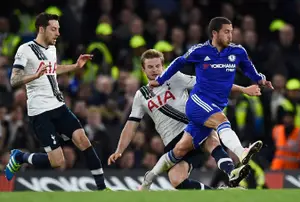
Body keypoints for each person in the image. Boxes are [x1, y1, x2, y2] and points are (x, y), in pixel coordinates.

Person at [141, 17, 273, 189]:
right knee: (223, 122)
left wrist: (260, 79)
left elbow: (249, 68)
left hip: (215, 107)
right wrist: (160, 79)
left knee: (181, 149)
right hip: (197, 102)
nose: (230, 35)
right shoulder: (200, 51)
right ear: (214, 33)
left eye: (231, 31)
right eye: (226, 32)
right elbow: (179, 62)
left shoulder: (237, 52)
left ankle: (147, 180)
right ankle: (242, 153)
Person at [108, 49, 262, 190]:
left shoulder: (175, 78)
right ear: (143, 69)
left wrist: (243, 89)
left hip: (191, 126)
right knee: (177, 180)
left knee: (211, 140)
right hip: (172, 141)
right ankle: (218, 193)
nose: (155, 70)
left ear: (163, 66)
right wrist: (119, 150)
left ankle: (232, 172)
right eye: (150, 67)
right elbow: (131, 125)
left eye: (157, 66)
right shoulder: (141, 95)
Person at [4, 13, 110, 191]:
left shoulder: (52, 49)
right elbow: (14, 80)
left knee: (83, 140)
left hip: (58, 106)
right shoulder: (25, 49)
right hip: (40, 112)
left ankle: (102, 188)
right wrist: (35, 75)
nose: (58, 33)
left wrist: (75, 67)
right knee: (58, 161)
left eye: (58, 29)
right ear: (41, 29)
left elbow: (53, 69)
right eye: (54, 29)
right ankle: (20, 157)